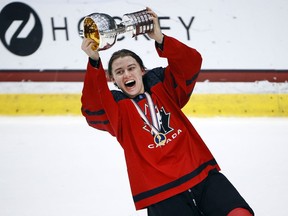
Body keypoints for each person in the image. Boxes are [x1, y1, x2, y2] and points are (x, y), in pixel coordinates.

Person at [81, 7, 254, 216]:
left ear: (142, 70)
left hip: (200, 174)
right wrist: (94, 61)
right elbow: (93, 108)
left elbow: (191, 63)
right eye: (119, 72)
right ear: (113, 80)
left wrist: (160, 38)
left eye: (131, 67)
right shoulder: (117, 111)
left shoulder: (163, 87)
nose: (126, 73)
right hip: (161, 192)